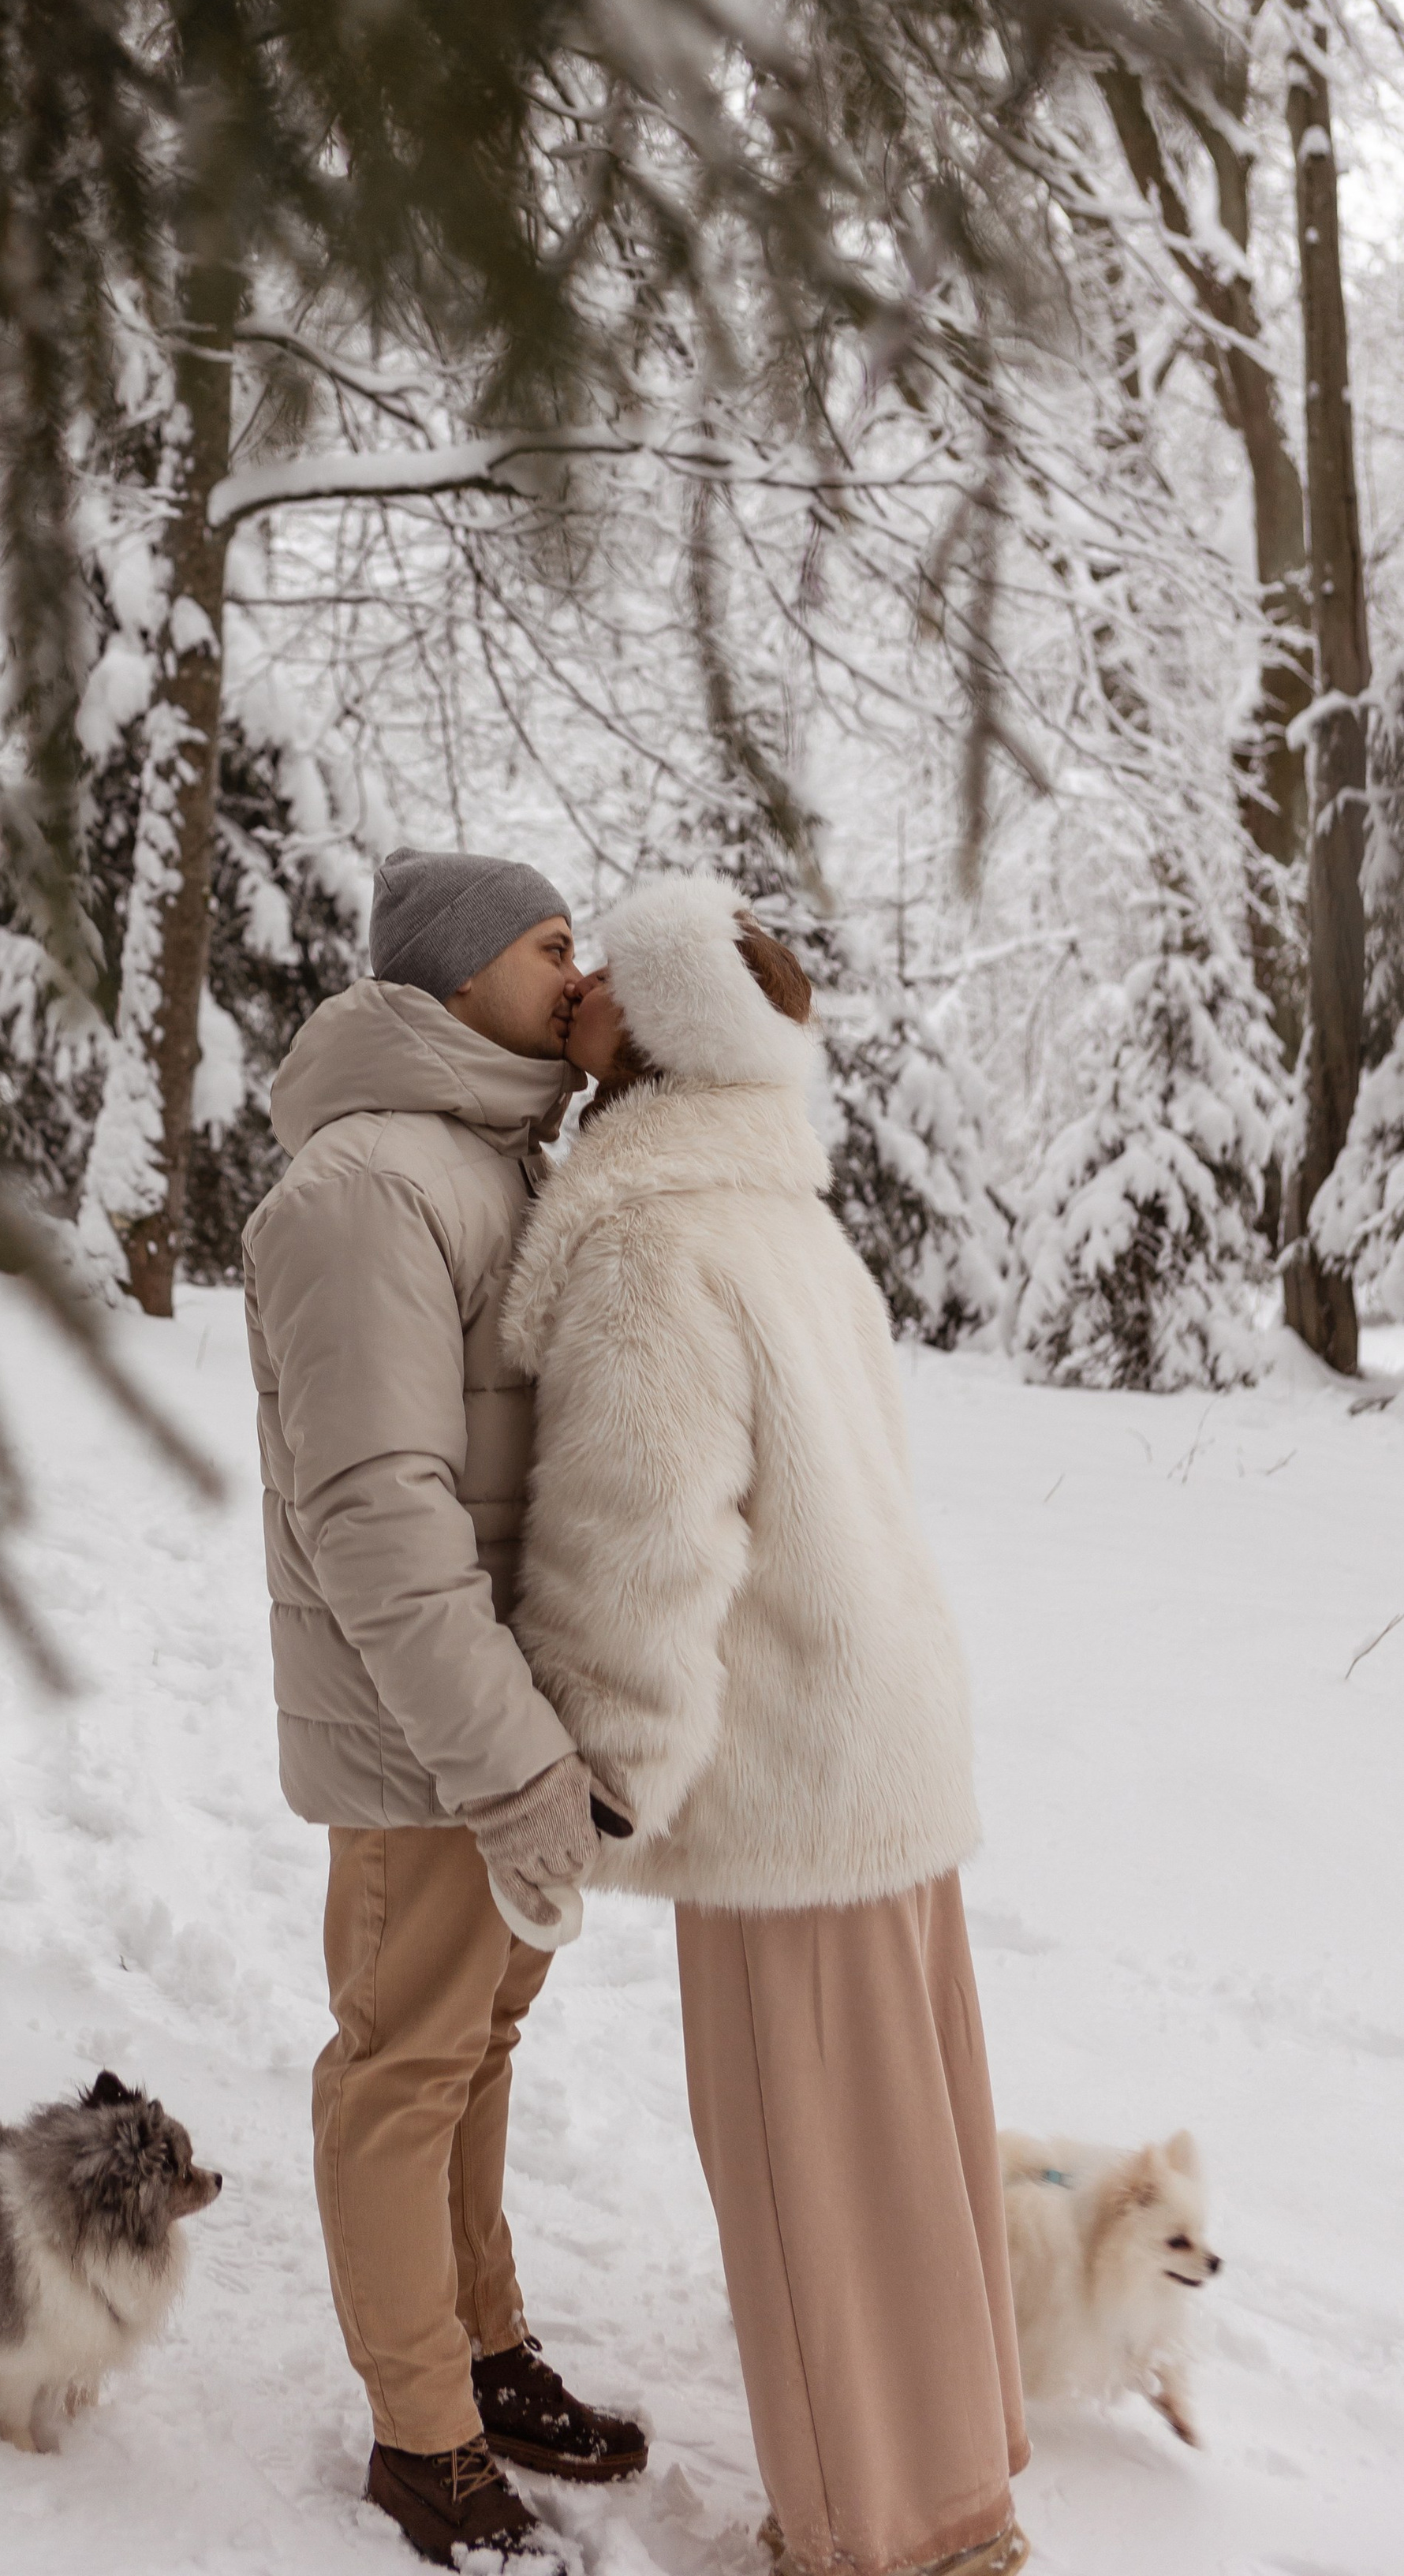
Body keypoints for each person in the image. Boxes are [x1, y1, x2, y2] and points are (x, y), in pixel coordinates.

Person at [499, 870, 1030, 2576]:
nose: (572, 984)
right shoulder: (785, 1221)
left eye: (605, 972)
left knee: (813, 2175)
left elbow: (637, 1535)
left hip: (783, 1770)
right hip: (877, 1742)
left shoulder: (650, 1242)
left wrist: (598, 1777)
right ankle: (952, 2468)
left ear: (654, 1029)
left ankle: (886, 2532)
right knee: (907, 2144)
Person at [241, 846, 649, 2570]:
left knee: (472, 2056)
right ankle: (422, 2441)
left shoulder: (495, 1161)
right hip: (429, 1738)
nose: (576, 971)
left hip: (508, 1729)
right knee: (400, 2070)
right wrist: (506, 1762)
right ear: (454, 970)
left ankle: (479, 2357)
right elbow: (377, 1513)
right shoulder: (361, 1191)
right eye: (550, 943)